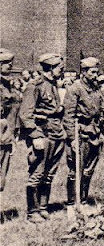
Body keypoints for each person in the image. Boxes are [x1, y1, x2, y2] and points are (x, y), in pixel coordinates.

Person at [18, 54, 66, 222]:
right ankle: (32, 211)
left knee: (49, 173)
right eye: (60, 68)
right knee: (37, 172)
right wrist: (36, 136)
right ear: (50, 68)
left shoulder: (53, 85)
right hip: (43, 134)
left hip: (56, 134)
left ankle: (43, 207)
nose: (62, 71)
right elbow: (25, 115)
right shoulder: (34, 86)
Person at [63, 57, 104, 207]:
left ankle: (83, 199)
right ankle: (72, 202)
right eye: (92, 72)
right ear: (84, 72)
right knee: (76, 169)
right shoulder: (74, 88)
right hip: (80, 132)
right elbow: (68, 115)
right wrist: (72, 138)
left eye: (97, 72)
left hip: (94, 132)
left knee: (89, 170)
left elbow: (102, 107)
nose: (95, 75)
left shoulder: (96, 88)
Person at [0, 49, 20, 198]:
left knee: (2, 175)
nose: (10, 65)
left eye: (10, 62)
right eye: (6, 63)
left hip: (6, 135)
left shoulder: (8, 84)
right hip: (1, 132)